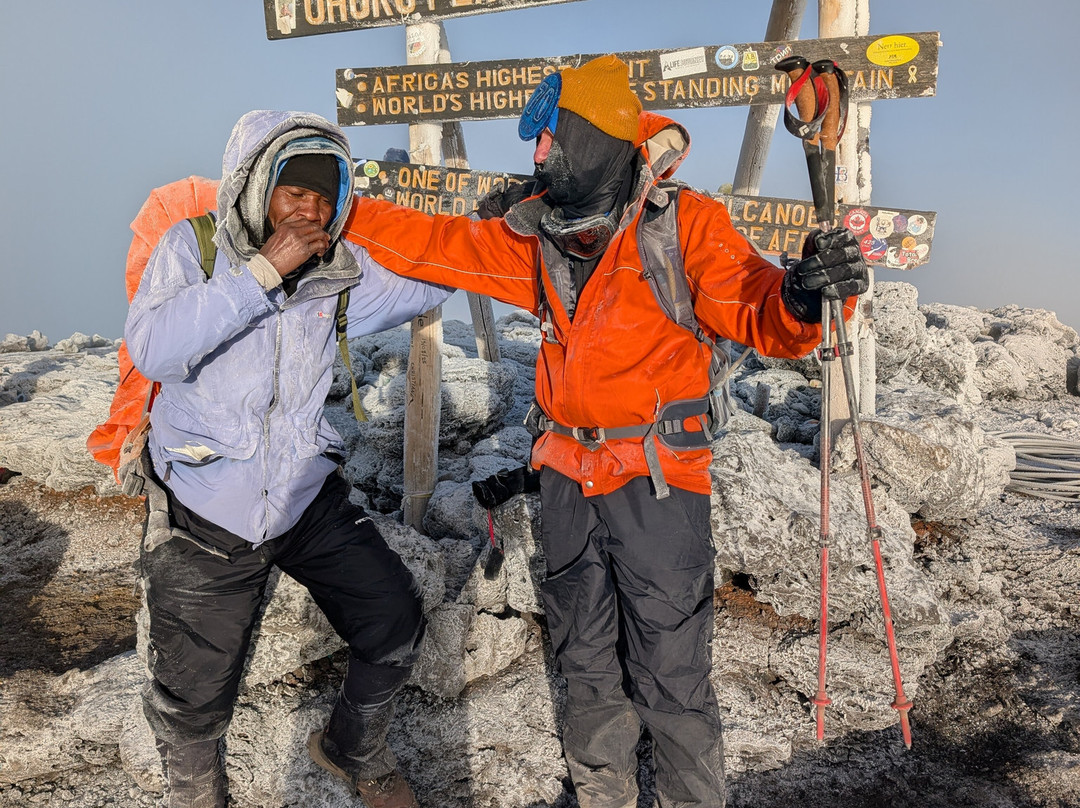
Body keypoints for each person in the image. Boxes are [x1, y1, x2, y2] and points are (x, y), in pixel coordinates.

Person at [341, 56, 868, 808]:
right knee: (583, 658)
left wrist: (803, 293)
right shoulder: (537, 236)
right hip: (565, 479)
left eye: (550, 137)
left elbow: (760, 310)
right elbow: (432, 243)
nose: (538, 155)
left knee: (670, 672)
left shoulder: (685, 225)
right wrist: (339, 209)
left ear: (589, 137)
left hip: (658, 480)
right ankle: (604, 794)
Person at [125, 109, 452, 808]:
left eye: (323, 195)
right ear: (257, 188)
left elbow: (431, 280)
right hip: (206, 501)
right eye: (292, 191)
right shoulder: (197, 249)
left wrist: (487, 230)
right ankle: (197, 796)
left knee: (393, 619)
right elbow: (153, 347)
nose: (309, 209)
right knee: (195, 694)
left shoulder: (336, 278)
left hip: (303, 493)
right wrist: (263, 271)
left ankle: (350, 746)